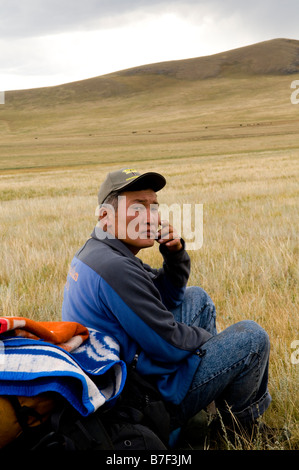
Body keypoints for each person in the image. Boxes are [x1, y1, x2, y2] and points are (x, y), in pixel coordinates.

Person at [62, 167, 271, 445]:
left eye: (154, 207)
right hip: (145, 402)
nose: (151, 217)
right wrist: (212, 345)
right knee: (250, 338)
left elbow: (168, 298)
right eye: (138, 208)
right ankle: (237, 431)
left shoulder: (100, 251)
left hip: (131, 373)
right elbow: (169, 345)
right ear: (105, 217)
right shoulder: (115, 267)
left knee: (197, 298)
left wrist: (174, 255)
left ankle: (213, 398)